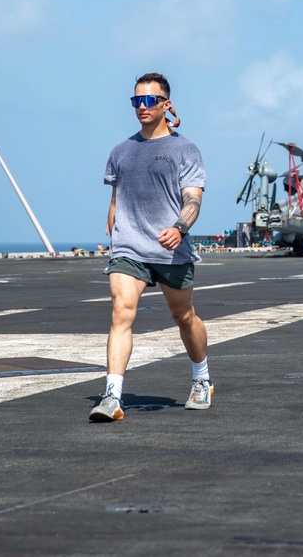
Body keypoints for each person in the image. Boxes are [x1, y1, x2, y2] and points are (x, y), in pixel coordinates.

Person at [90, 73, 210, 422]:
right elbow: (116, 198)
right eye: (136, 101)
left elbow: (193, 198)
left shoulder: (184, 149)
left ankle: (202, 378)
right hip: (129, 247)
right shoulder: (121, 152)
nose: (142, 107)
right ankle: (112, 396)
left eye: (149, 100)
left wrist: (180, 227)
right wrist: (113, 229)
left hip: (171, 249)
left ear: (165, 104)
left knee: (183, 317)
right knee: (120, 313)